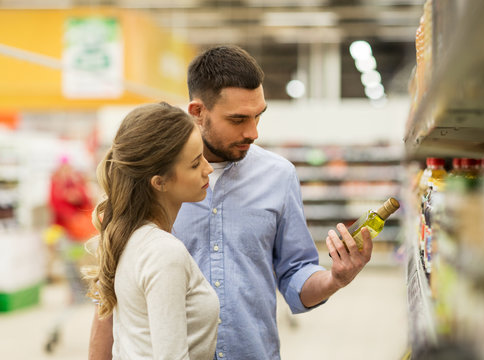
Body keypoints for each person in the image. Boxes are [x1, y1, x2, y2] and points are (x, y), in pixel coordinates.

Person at [89, 46, 372, 360]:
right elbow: (111, 294)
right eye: (238, 119)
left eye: (258, 116)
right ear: (198, 111)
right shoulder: (150, 184)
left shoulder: (279, 176)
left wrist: (334, 278)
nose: (253, 132)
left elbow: (295, 272)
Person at [84, 102, 219, 359]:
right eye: (194, 164)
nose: (208, 168)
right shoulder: (164, 252)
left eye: (203, 156)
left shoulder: (131, 239)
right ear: (160, 182)